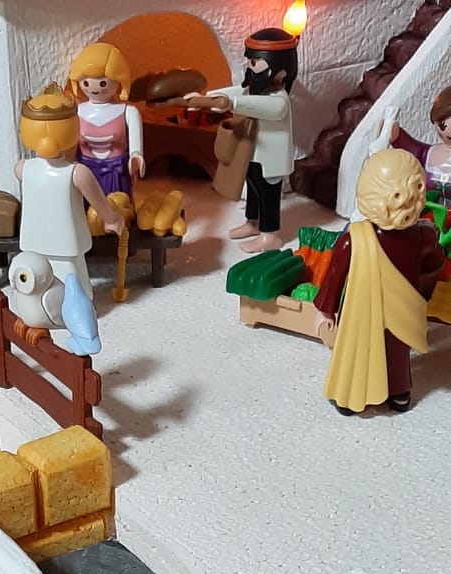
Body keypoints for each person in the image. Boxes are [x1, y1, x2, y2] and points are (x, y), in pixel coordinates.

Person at [314, 148, 444, 414]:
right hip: (383, 310)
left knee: (380, 350)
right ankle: (392, 392)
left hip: (385, 311)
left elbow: (435, 265)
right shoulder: (418, 237)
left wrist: (325, 310)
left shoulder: (358, 239)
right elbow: (435, 265)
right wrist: (325, 309)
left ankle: (377, 392)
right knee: (381, 349)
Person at [185, 26, 299, 251]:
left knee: (268, 194)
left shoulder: (279, 99)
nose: (250, 66)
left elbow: (264, 107)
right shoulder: (253, 90)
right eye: (250, 61)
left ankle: (270, 234)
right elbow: (235, 93)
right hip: (251, 153)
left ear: (279, 67)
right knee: (253, 189)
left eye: (256, 62)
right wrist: (205, 99)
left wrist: (232, 104)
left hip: (270, 159)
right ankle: (252, 223)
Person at [15, 83, 124, 301]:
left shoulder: (22, 168)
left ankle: (43, 306)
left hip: (34, 240)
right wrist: (112, 219)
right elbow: (98, 201)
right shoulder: (77, 173)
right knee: (74, 282)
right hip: (66, 241)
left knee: (39, 279)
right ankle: (77, 307)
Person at [67, 41, 145, 199]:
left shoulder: (128, 112)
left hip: (116, 173)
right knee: (87, 206)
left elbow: (135, 144)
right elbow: (71, 142)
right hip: (86, 171)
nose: (95, 88)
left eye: (103, 83)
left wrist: (136, 155)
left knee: (118, 206)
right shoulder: (78, 111)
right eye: (86, 82)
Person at [390, 86, 451, 201]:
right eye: (442, 125)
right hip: (427, 208)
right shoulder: (430, 153)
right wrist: (398, 136)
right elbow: (415, 150)